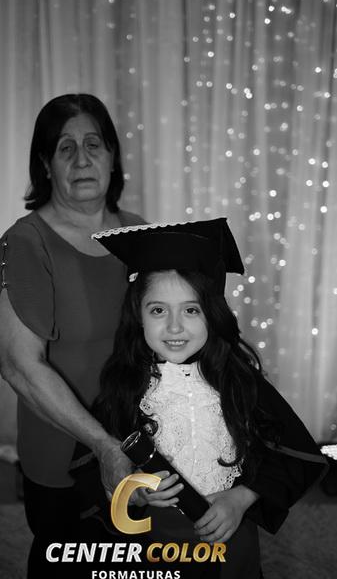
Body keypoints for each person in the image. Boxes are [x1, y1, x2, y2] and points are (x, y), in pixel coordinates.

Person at [76, 218, 328, 578]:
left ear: (212, 313)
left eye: (191, 309)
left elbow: (290, 454)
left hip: (230, 534)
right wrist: (134, 492)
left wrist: (241, 498)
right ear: (138, 315)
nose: (174, 326)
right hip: (153, 544)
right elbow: (93, 468)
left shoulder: (239, 382)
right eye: (158, 310)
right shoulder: (123, 388)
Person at [0, 94, 146, 577]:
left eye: (94, 144)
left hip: (141, 440)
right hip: (66, 453)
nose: (82, 159)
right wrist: (104, 446)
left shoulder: (139, 232)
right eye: (65, 148)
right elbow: (20, 368)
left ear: (112, 157)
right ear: (46, 165)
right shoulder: (22, 246)